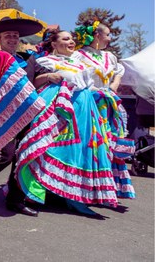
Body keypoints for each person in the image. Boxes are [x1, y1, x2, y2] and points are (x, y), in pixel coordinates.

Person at [15, 30, 119, 216]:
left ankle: (72, 195)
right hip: (58, 105)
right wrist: (49, 77)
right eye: (65, 39)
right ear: (54, 44)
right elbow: (34, 82)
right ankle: (35, 192)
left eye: (71, 39)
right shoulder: (46, 61)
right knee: (49, 146)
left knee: (78, 151)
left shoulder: (80, 61)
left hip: (83, 109)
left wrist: (104, 94)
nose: (71, 42)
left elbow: (87, 84)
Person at [0, 17, 44, 216]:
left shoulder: (28, 59)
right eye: (8, 36)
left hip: (26, 115)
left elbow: (40, 77)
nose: (12, 39)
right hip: (0, 114)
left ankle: (16, 200)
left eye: (15, 35)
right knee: (5, 155)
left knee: (23, 156)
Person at [72, 20, 136, 199]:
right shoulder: (80, 56)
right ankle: (86, 188)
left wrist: (114, 84)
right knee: (91, 143)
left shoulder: (110, 57)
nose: (110, 38)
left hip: (108, 105)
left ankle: (106, 187)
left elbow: (118, 71)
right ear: (97, 36)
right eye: (107, 35)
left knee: (109, 143)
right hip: (89, 104)